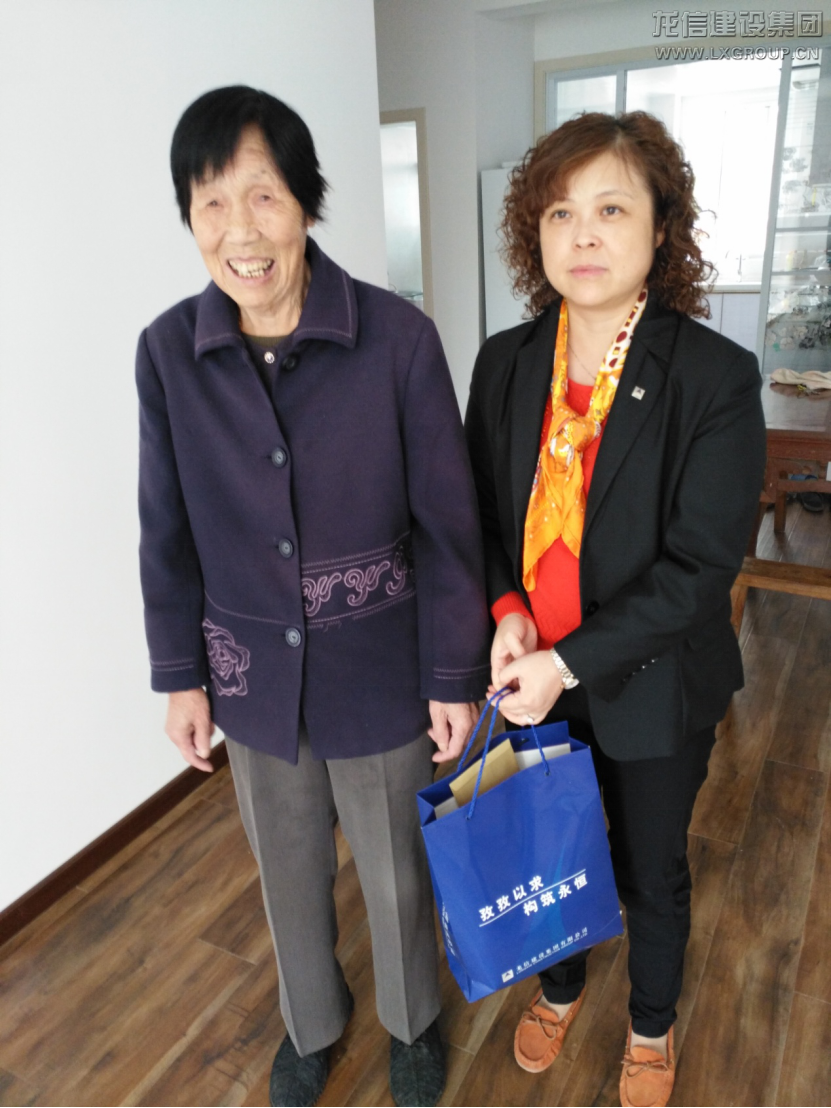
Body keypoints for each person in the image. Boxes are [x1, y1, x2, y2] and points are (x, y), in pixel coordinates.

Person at [136, 85, 490, 1108]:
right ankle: (312, 1023)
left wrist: (452, 674)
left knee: (395, 871)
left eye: (262, 196)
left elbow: (449, 524)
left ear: (305, 204)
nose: (239, 231)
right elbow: (165, 527)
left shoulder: (396, 338)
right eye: (211, 203)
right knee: (285, 873)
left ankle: (413, 1025)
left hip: (379, 670)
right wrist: (181, 676)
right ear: (190, 218)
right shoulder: (168, 353)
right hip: (252, 679)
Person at [465, 111, 766, 1108]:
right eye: (560, 212)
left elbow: (699, 568)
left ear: (659, 228)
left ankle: (649, 1022)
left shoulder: (712, 377)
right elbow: (480, 515)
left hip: (652, 681)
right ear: (534, 232)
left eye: (610, 209)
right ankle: (558, 985)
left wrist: (565, 660)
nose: (583, 235)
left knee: (648, 867)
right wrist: (506, 609)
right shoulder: (506, 363)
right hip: (529, 672)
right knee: (547, 845)